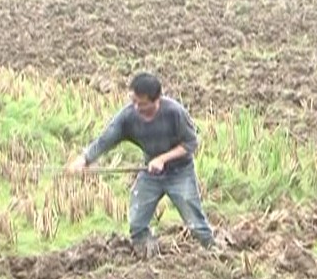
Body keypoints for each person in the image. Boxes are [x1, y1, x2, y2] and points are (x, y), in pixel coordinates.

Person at [67, 72, 216, 256]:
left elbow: (190, 144)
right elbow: (106, 139)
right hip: (150, 173)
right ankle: (148, 256)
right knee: (137, 224)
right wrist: (84, 159)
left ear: (157, 100)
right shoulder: (128, 116)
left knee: (196, 224)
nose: (137, 107)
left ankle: (212, 253)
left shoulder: (174, 112)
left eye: (143, 104)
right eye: (134, 101)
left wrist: (162, 159)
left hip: (180, 172)